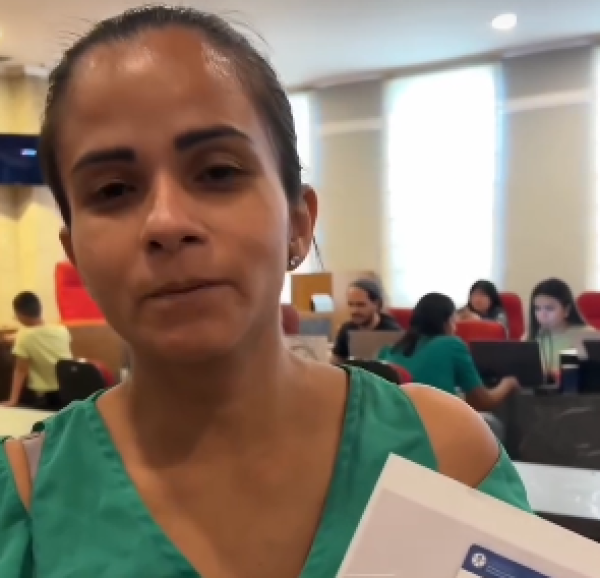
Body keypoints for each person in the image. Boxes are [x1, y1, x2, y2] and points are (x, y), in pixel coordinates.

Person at [0, 6, 531, 576]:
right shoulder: (25, 502)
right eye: (112, 190)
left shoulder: (445, 456)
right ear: (76, 252)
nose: (167, 222)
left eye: (218, 172)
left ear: (299, 223)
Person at [379, 293, 519, 409]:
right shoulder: (451, 344)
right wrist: (508, 383)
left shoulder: (388, 351)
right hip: (437, 425)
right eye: (454, 321)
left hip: (396, 425)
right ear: (446, 322)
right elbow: (482, 402)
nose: (455, 328)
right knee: (493, 425)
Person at [2, 292, 71, 410]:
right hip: (66, 391)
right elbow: (39, 336)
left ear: (20, 315)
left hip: (45, 397)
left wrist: (13, 400)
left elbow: (21, 370)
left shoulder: (24, 336)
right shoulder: (62, 330)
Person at [526, 278, 589, 377]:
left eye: (549, 308)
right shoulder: (530, 336)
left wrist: (554, 374)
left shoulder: (585, 336)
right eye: (537, 309)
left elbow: (575, 375)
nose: (542, 315)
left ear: (566, 310)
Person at [331, 278, 401, 362]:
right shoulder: (347, 328)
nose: (354, 311)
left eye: (361, 305)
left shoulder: (391, 332)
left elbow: (397, 366)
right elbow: (336, 361)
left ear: (376, 304)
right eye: (350, 304)